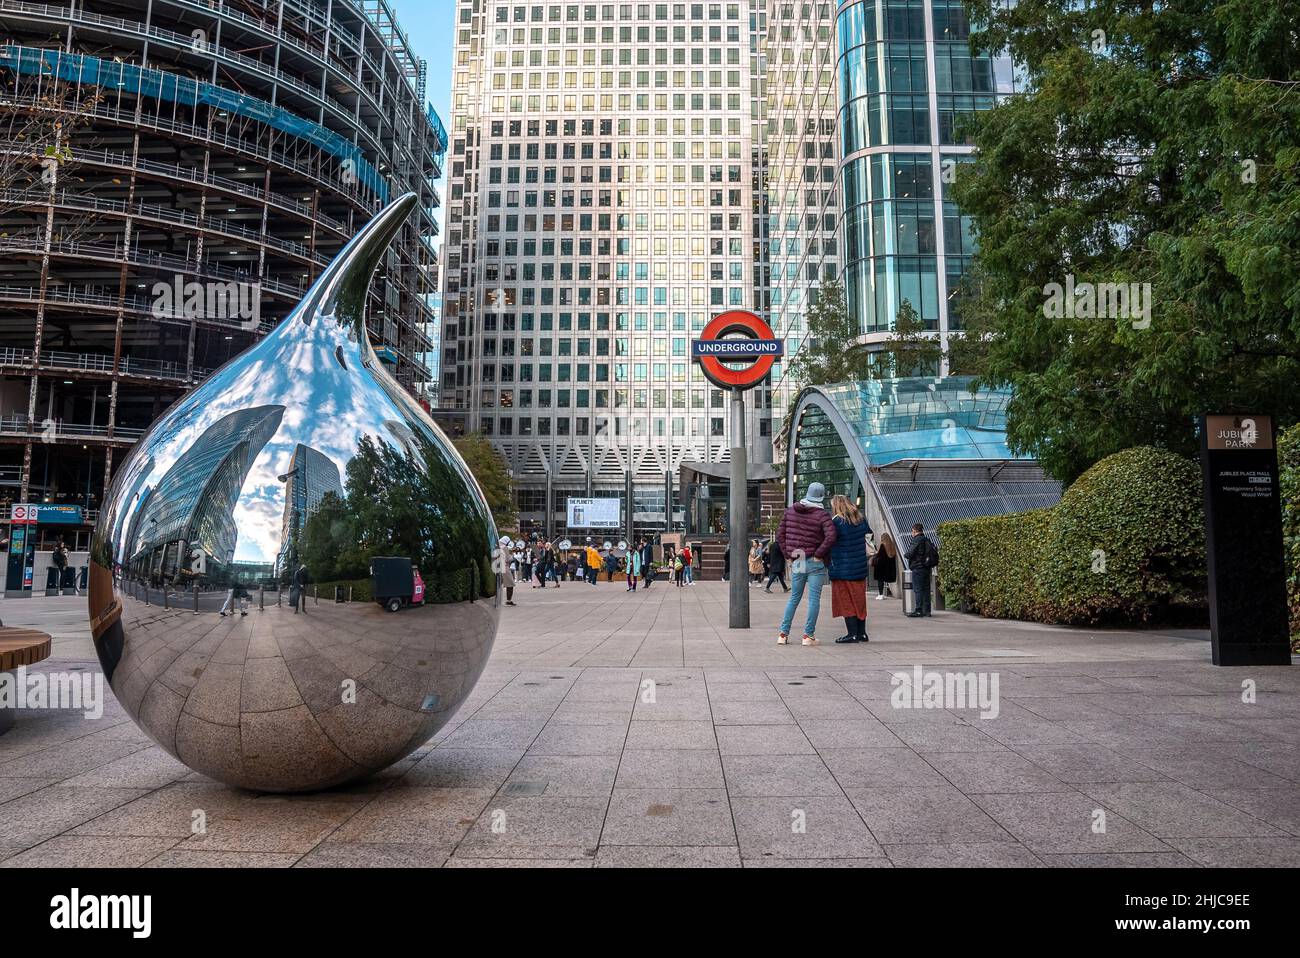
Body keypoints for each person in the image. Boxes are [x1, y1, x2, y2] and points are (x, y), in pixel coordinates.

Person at [775, 482, 837, 646]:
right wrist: (819, 554)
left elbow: (779, 535)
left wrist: (788, 555)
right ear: (822, 496)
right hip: (814, 561)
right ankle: (808, 636)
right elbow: (831, 536)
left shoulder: (790, 512)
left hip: (798, 559)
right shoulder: (822, 515)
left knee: (794, 597)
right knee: (813, 599)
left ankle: (783, 634)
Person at [828, 495, 871, 643]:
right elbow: (869, 537)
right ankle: (862, 633)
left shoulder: (837, 522)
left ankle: (852, 633)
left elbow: (828, 541)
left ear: (837, 506)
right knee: (859, 600)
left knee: (846, 601)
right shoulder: (861, 519)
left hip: (842, 568)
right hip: (859, 567)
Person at [905, 523, 939, 618]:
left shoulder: (916, 540)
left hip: (918, 568)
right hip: (927, 568)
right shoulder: (926, 539)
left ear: (914, 530)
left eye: (912, 531)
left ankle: (918, 610)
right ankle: (927, 611)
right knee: (926, 589)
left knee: (918, 589)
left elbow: (910, 553)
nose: (912, 533)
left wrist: (906, 555)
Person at [871, 531, 898, 600]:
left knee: (880, 581)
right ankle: (883, 594)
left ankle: (880, 594)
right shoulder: (891, 546)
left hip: (881, 567)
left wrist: (876, 554)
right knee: (883, 581)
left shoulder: (883, 546)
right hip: (887, 568)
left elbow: (880, 556)